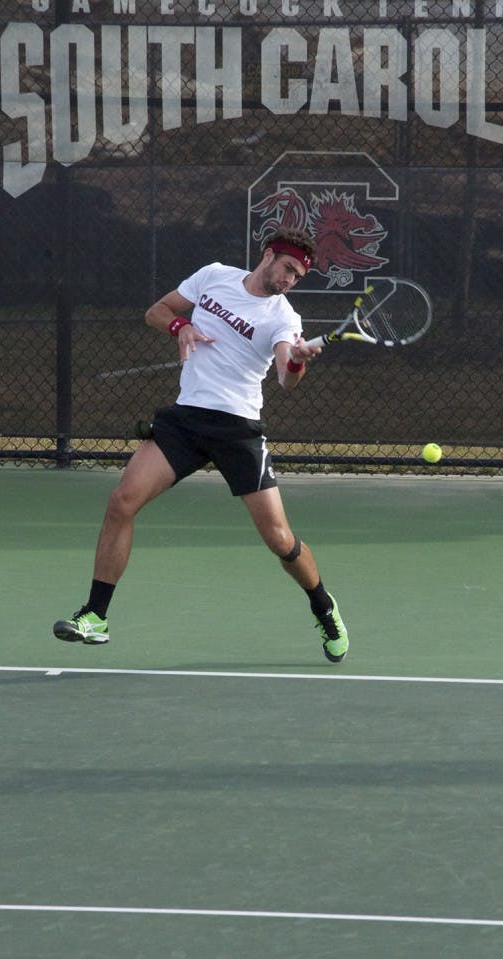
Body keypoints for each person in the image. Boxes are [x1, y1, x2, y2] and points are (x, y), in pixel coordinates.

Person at [53, 227, 349, 663]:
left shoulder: (282, 318)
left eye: (298, 277)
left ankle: (324, 608)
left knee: (280, 540)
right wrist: (181, 326)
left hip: (238, 430)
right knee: (122, 502)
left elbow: (286, 377)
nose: (289, 280)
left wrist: (297, 363)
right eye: (288, 268)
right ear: (268, 255)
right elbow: (157, 310)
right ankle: (95, 617)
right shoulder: (214, 276)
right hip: (186, 420)